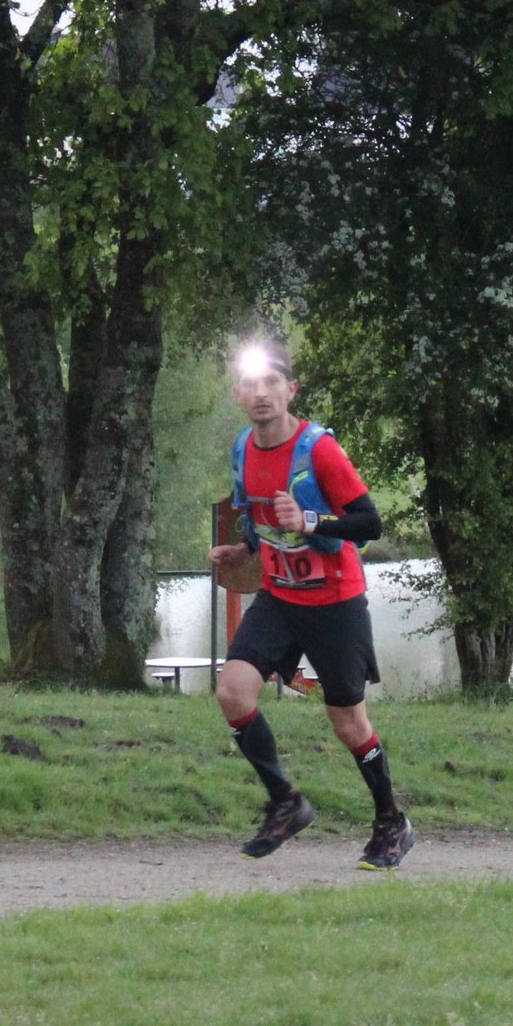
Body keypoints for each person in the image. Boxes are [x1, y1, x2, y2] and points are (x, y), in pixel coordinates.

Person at [208, 339, 416, 869]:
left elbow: (369, 523)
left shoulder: (318, 450)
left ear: (291, 390)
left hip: (335, 603)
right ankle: (286, 803)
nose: (261, 393)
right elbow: (259, 517)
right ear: (237, 394)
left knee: (348, 724)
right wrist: (244, 549)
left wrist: (310, 521)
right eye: (250, 384)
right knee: (232, 692)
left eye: (271, 382)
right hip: (279, 597)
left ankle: (391, 821)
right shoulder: (243, 448)